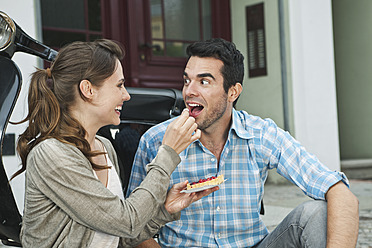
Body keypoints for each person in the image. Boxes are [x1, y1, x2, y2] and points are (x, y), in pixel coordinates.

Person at [127, 38, 359, 248]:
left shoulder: (261, 134)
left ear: (233, 92)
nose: (189, 91)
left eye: (204, 82)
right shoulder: (156, 140)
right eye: (187, 80)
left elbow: (338, 191)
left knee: (316, 213)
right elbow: (132, 226)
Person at [12, 39, 218, 248]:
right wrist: (168, 153)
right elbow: (126, 222)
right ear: (88, 89)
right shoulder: (52, 154)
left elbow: (120, 236)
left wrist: (165, 210)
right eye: (119, 85)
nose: (126, 95)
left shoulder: (103, 147)